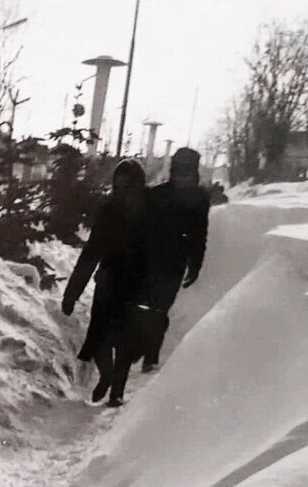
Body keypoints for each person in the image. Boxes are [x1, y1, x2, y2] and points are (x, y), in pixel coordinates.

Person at [61, 158, 149, 407]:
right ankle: (108, 376)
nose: (121, 193)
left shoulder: (149, 213)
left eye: (127, 188)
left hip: (135, 287)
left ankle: (117, 392)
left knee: (124, 342)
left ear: (138, 186)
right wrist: (72, 293)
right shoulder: (109, 211)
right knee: (98, 337)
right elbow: (91, 253)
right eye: (117, 188)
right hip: (108, 283)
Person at [141, 147, 210, 372]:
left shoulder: (200, 198)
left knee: (159, 311)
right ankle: (137, 348)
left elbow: (200, 233)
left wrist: (195, 264)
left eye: (188, 174)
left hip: (175, 264)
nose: (184, 179)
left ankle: (150, 357)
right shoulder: (156, 195)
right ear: (173, 172)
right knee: (144, 308)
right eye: (180, 173)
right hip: (149, 260)